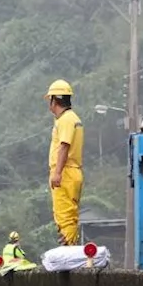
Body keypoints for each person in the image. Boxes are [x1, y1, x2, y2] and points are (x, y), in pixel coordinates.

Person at [45, 80, 84, 247]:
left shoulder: (66, 120)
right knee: (70, 215)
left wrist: (57, 173)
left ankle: (68, 252)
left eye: (50, 100)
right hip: (71, 172)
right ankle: (70, 248)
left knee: (65, 216)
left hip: (66, 173)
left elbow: (64, 146)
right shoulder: (72, 118)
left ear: (55, 100)